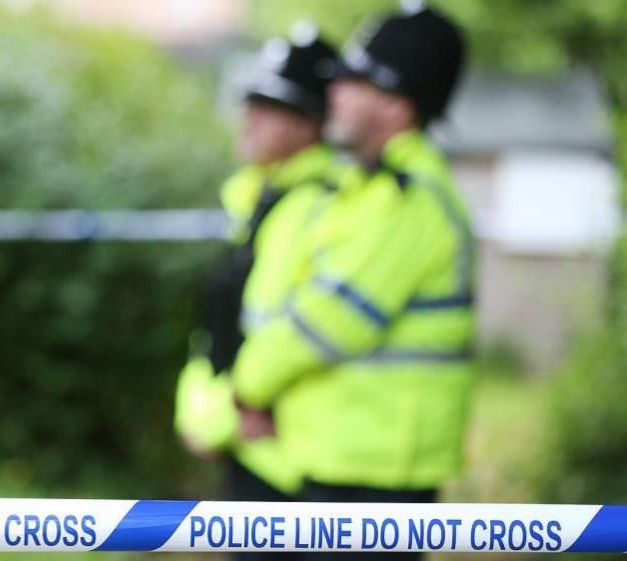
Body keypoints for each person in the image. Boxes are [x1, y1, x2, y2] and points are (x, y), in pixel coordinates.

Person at [229, 3, 474, 560]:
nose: (335, 86)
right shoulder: (367, 189)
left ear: (395, 101)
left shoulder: (409, 201)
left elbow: (327, 322)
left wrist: (244, 389)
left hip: (377, 475)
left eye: (356, 78)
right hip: (340, 461)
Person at [174, 23, 343, 559]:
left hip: (294, 467)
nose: (250, 116)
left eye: (271, 105)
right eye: (250, 99)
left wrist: (222, 415)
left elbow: (297, 336)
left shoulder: (321, 209)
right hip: (252, 454)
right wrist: (206, 417)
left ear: (312, 124)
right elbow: (221, 331)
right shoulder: (259, 201)